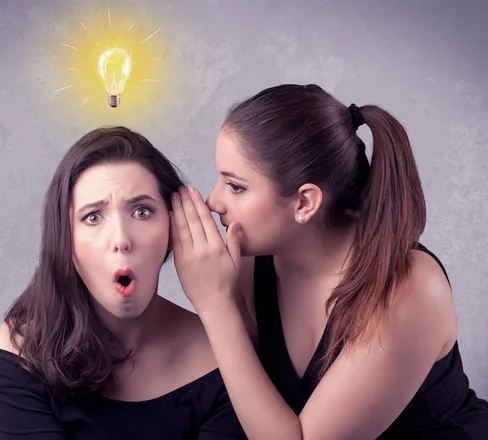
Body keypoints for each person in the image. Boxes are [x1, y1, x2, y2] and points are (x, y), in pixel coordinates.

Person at [169, 84, 488, 439]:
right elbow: (251, 400)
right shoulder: (248, 263)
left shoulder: (409, 288)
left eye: (236, 187)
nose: (213, 202)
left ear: (305, 203)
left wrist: (215, 306)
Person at [0, 126, 247, 439]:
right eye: (93, 217)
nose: (121, 239)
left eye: (142, 212)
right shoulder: (11, 359)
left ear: (174, 229)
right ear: (65, 240)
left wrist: (218, 303)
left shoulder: (229, 362)